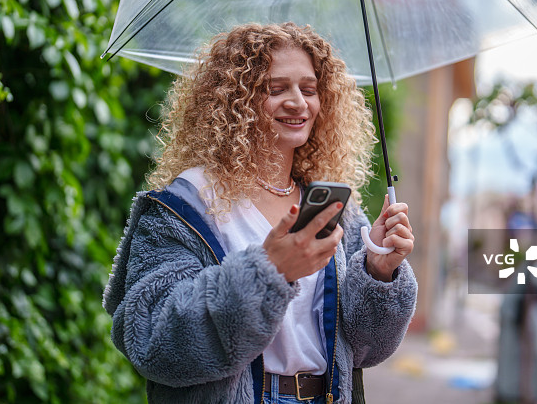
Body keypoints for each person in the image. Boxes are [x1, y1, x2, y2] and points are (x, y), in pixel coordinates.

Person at [103, 23, 417, 404]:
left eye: (309, 89)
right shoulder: (187, 205)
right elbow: (151, 338)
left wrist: (378, 271)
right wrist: (270, 271)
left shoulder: (332, 208)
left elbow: (366, 348)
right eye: (276, 88)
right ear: (237, 98)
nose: (298, 102)